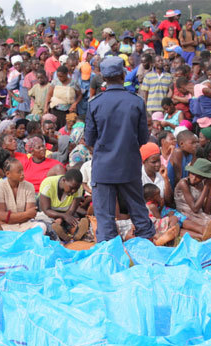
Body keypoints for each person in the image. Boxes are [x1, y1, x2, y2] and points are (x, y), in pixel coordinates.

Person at [85, 56, 155, 243]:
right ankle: (147, 252)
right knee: (139, 212)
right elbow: (143, 138)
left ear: (103, 77)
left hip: (103, 168)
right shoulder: (136, 101)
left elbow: (89, 139)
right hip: (129, 166)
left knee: (105, 218)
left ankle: (109, 258)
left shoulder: (94, 103)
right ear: (123, 74)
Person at [0, 157, 45, 233]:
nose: (22, 174)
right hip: (6, 226)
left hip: (25, 224)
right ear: (8, 174)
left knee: (42, 226)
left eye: (22, 170)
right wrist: (26, 214)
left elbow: (31, 214)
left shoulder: (29, 186)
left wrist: (9, 217)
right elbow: (1, 215)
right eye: (19, 172)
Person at [38, 169, 88, 242]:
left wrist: (64, 218)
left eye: (76, 189)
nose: (73, 191)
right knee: (46, 224)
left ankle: (73, 231)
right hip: (49, 213)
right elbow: (46, 210)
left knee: (73, 221)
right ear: (64, 180)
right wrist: (63, 216)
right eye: (71, 188)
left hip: (67, 213)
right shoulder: (48, 184)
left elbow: (71, 210)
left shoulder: (78, 188)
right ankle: (63, 233)